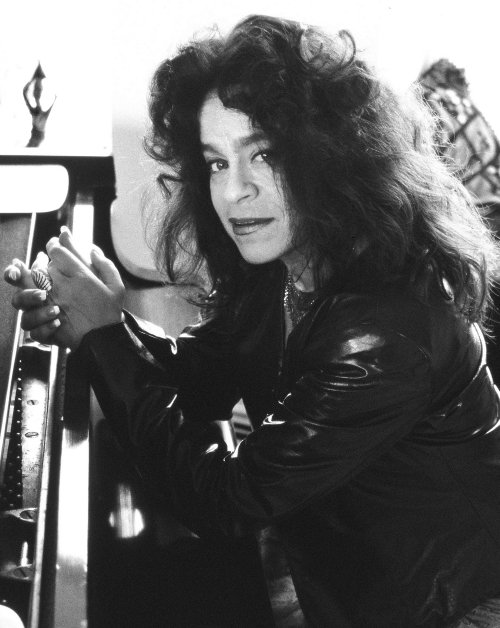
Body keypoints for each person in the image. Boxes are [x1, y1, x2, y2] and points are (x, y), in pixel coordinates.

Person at [5, 14, 500, 627]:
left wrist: (105, 339)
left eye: (263, 154)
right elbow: (208, 374)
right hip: (353, 569)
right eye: (216, 162)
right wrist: (103, 320)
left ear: (332, 157)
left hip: (448, 609)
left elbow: (227, 501)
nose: (233, 192)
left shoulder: (379, 332)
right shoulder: (291, 257)